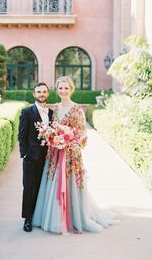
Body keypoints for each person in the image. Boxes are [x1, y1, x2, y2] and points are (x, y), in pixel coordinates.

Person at [33, 76, 119, 234]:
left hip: (71, 153)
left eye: (66, 88)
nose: (63, 91)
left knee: (70, 182)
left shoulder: (76, 109)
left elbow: (82, 132)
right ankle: (53, 217)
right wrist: (54, 137)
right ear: (56, 89)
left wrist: (69, 141)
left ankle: (75, 216)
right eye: (60, 88)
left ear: (71, 89)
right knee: (54, 182)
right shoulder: (56, 108)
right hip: (55, 152)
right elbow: (52, 127)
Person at [18, 82, 53, 232]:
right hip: (31, 157)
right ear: (34, 94)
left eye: (44, 92)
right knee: (29, 187)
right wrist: (25, 153)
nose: (41, 94)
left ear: (48, 94)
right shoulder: (27, 112)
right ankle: (28, 218)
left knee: (42, 187)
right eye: (39, 92)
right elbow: (21, 135)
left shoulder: (51, 113)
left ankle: (39, 215)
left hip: (48, 158)